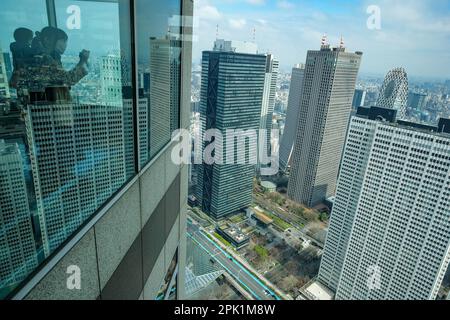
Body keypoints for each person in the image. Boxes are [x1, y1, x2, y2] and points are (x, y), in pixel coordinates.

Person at [11, 26, 90, 102]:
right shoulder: (43, 59)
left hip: (34, 104)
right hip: (45, 107)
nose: (65, 45)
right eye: (62, 40)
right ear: (47, 40)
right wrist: (82, 61)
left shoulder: (26, 57)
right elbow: (68, 79)